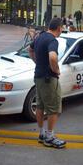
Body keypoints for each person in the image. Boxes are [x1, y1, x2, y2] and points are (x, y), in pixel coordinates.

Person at [29, 17, 66, 149]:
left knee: (40, 106)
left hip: (38, 76)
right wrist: (55, 70)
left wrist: (37, 62)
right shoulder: (52, 40)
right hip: (48, 78)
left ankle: (42, 133)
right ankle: (49, 137)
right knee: (53, 108)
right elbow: (52, 57)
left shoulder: (40, 36)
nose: (63, 30)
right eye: (62, 28)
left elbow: (30, 49)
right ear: (59, 28)